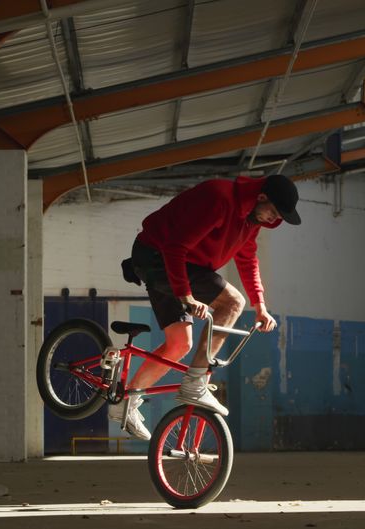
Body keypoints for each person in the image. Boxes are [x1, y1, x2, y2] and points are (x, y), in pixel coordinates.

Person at [112, 174, 301, 440]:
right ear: (261, 197)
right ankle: (196, 381)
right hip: (158, 256)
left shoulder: (251, 221)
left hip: (178, 265)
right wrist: (186, 295)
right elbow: (175, 248)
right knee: (233, 302)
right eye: (273, 211)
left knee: (179, 344)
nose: (274, 219)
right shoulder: (220, 199)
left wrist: (261, 306)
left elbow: (247, 260)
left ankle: (126, 401)